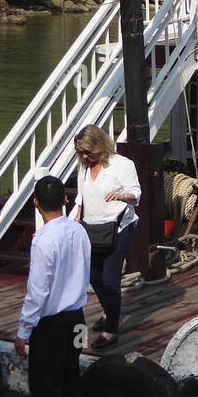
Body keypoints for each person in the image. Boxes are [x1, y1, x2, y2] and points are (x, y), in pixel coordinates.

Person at [14, 175, 89, 397]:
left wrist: (24, 330)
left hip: (52, 323)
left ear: (36, 204)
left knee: (45, 385)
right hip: (76, 317)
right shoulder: (79, 232)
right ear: (65, 199)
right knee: (70, 379)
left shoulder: (44, 240)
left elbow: (37, 291)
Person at [70, 124, 140, 350]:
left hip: (118, 228)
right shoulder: (85, 167)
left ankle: (111, 331)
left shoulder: (122, 164)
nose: (85, 156)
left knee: (110, 281)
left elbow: (136, 193)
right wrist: (76, 219)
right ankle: (109, 310)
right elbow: (81, 196)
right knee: (93, 276)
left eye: (88, 152)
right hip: (92, 228)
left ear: (100, 145)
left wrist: (121, 195)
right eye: (81, 153)